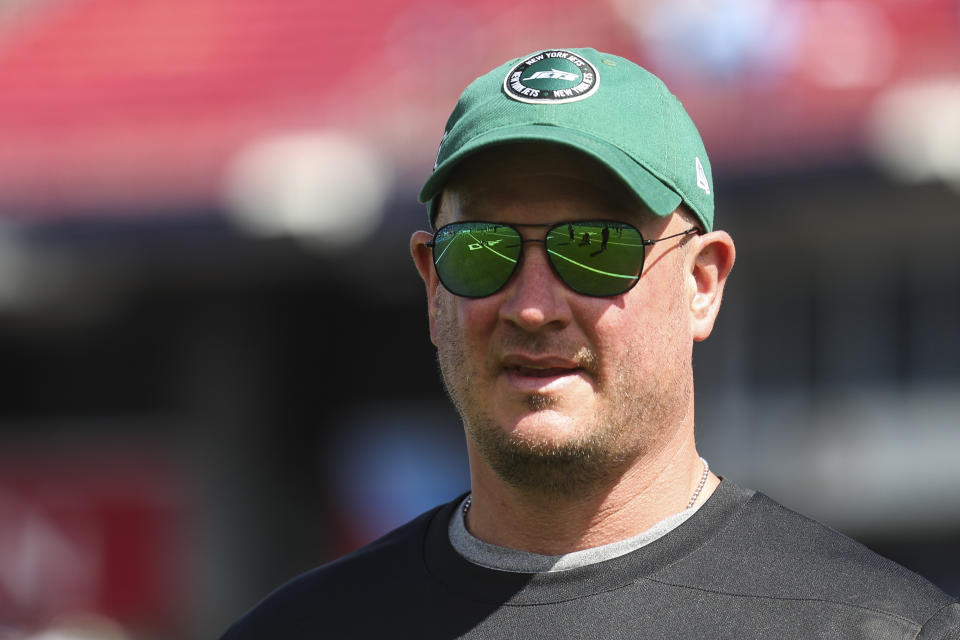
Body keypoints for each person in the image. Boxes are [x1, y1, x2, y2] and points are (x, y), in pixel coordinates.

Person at [220, 48, 960, 638]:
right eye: (482, 250)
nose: (534, 308)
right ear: (433, 286)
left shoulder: (881, 628)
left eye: (595, 249)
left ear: (702, 283)